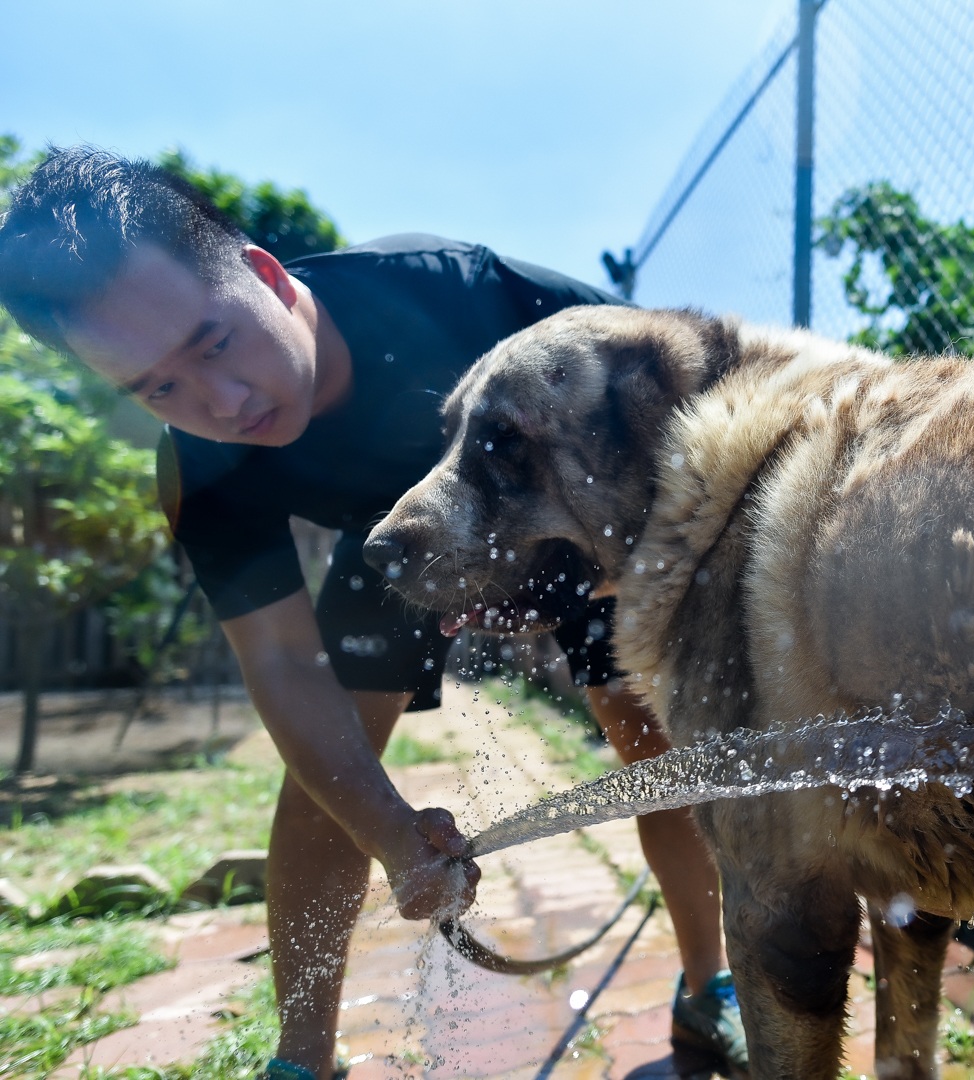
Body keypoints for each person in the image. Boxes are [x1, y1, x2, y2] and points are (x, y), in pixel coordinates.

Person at [0, 148, 747, 1079]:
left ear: (268, 276)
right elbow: (280, 664)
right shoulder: (197, 466)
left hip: (584, 527)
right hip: (395, 547)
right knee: (327, 786)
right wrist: (391, 830)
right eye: (159, 388)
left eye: (214, 342)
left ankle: (708, 988)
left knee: (652, 745)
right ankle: (302, 1059)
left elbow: (703, 415)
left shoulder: (471, 298)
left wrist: (623, 574)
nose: (219, 403)